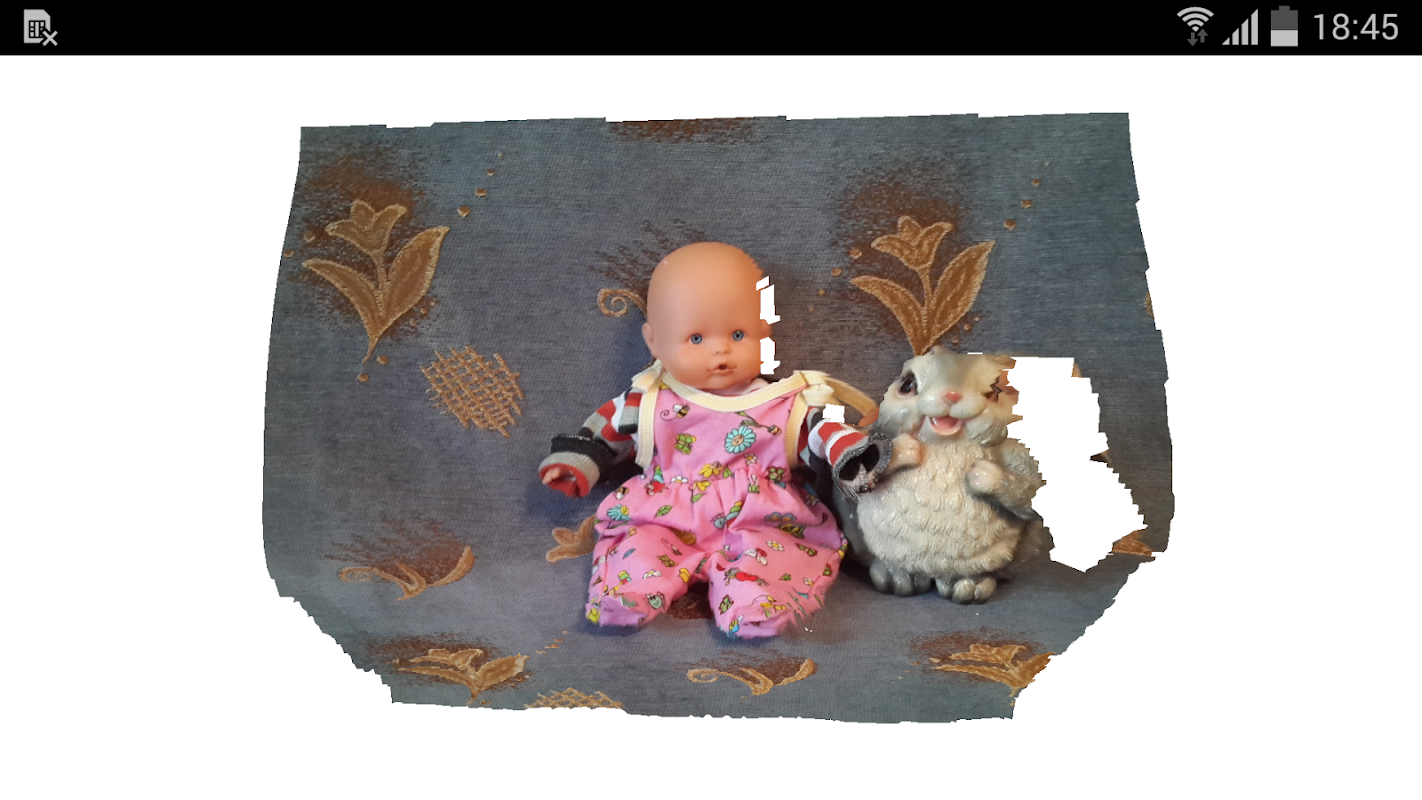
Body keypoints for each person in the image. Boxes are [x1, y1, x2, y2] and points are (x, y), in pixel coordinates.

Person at [540, 242, 889, 638]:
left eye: (738, 334)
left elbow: (821, 431)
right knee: (640, 546)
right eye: (695, 338)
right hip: (666, 517)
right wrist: (577, 463)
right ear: (654, 341)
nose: (720, 349)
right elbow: (605, 431)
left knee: (771, 555)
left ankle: (758, 603)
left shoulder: (788, 403)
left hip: (761, 518)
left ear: (764, 331)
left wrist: (847, 450)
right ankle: (628, 594)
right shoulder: (650, 399)